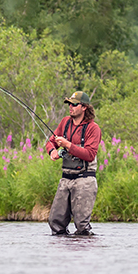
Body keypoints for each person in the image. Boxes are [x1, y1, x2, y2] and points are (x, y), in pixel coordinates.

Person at [45, 91, 102, 236]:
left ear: (84, 107)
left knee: (81, 225)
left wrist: (68, 145)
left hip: (85, 179)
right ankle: (62, 252)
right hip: (66, 179)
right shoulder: (65, 122)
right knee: (55, 221)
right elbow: (51, 142)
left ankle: (83, 251)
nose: (71, 107)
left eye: (74, 104)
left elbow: (90, 155)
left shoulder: (93, 128)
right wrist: (52, 152)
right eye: (69, 104)